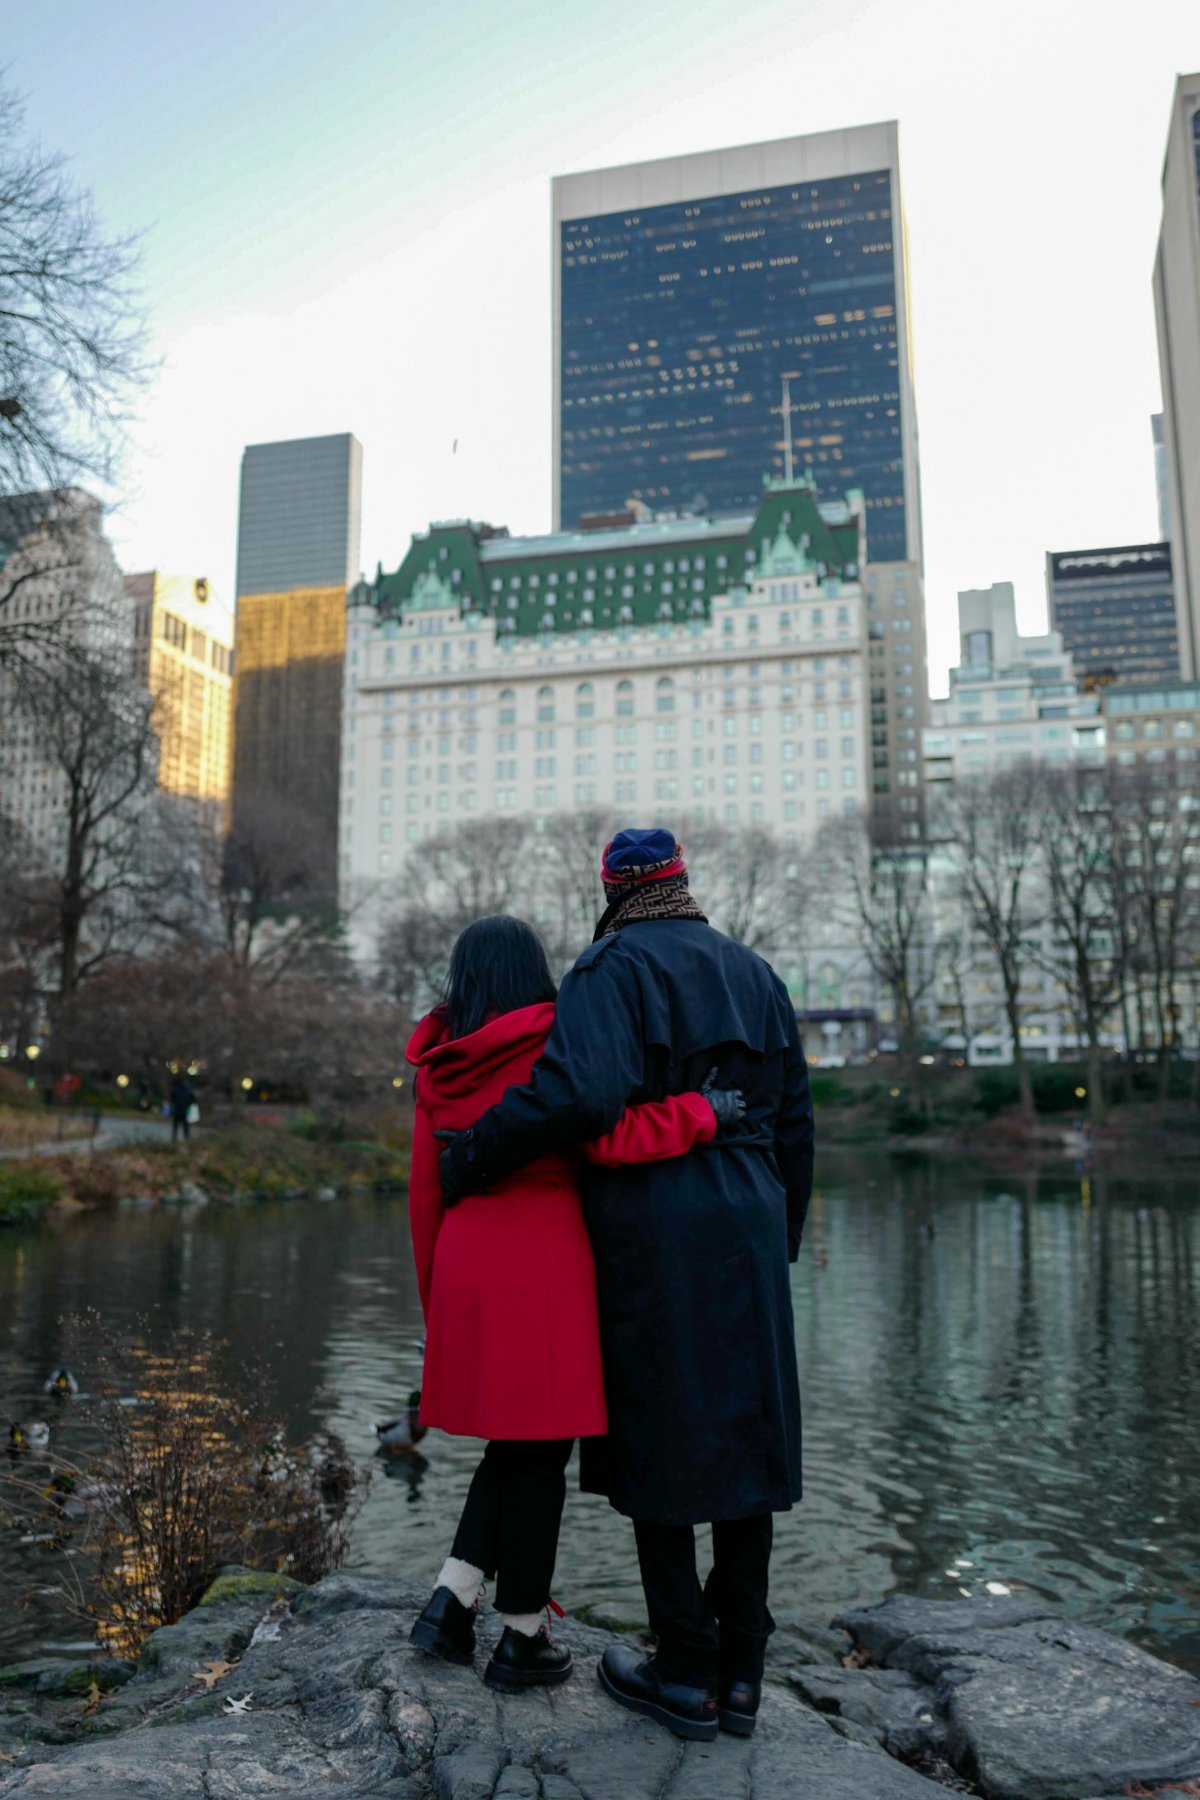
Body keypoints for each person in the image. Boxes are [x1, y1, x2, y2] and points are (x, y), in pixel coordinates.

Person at [438, 829, 814, 1742]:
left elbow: (575, 1095)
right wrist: (780, 1234)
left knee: (666, 1438)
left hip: (655, 1224)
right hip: (752, 1218)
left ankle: (683, 1671)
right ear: (683, 881)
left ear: (611, 890)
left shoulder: (609, 967)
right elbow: (797, 1122)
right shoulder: (758, 973)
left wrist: (476, 1154)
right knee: (745, 1436)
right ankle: (744, 1674)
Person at [405, 913, 745, 1692]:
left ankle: (453, 1600)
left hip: (464, 1262)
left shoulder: (437, 1064)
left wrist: (438, 1313)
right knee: (542, 1452)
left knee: (521, 1449)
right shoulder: (554, 1039)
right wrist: (700, 1113)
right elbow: (608, 1135)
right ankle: (520, 1636)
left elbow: (424, 1196)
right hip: (543, 1259)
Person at [169, 1073, 196, 1143]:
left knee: (175, 1127)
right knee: (186, 1127)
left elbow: (172, 1100)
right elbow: (194, 1100)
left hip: (177, 1111)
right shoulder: (188, 1091)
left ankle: (174, 1140)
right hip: (185, 1111)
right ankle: (187, 1140)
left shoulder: (175, 1090)